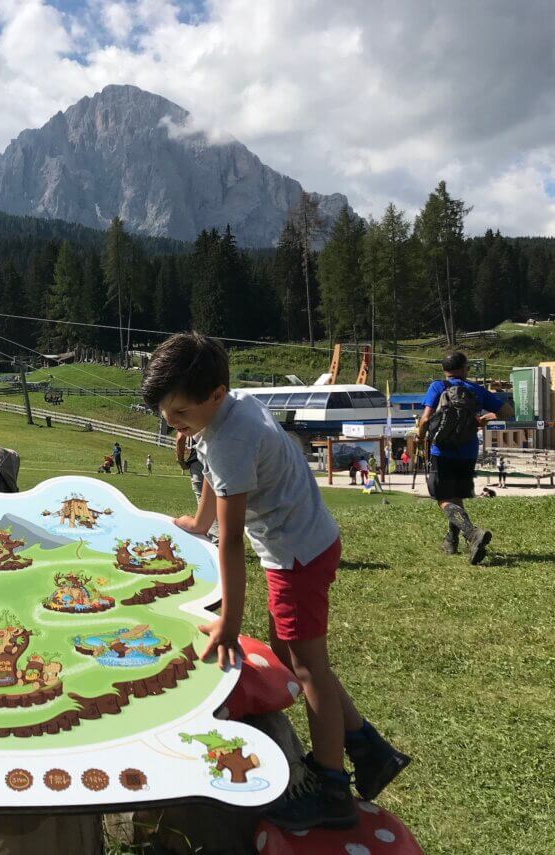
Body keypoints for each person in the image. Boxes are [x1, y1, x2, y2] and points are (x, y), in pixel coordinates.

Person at [142, 333, 409, 831]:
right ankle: (368, 747)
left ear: (214, 395)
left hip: (295, 556)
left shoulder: (229, 439)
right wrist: (199, 524)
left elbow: (233, 540)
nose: (170, 423)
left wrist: (228, 623)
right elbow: (210, 469)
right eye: (165, 412)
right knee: (293, 656)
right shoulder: (231, 407)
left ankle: (332, 788)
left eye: (178, 413)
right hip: (306, 544)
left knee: (308, 669)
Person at [417, 352, 513, 564]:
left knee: (443, 499)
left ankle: (472, 534)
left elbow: (425, 420)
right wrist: (485, 418)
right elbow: (507, 411)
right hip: (468, 451)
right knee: (457, 495)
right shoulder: (477, 390)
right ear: (465, 368)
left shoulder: (438, 387)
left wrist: (420, 436)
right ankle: (451, 541)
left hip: (442, 451)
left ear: (445, 369)